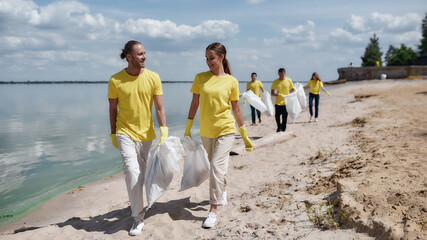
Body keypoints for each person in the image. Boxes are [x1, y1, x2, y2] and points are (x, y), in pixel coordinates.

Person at [184, 42, 253, 228]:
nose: (208, 62)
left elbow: (236, 108)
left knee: (215, 165)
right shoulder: (200, 78)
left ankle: (212, 211)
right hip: (207, 130)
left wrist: (244, 133)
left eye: (211, 58)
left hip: (226, 129)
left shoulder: (232, 81)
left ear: (221, 57)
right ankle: (223, 188)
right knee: (216, 167)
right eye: (206, 58)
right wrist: (188, 127)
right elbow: (194, 103)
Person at [108, 40, 168, 236]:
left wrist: (164, 130)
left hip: (146, 135)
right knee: (132, 172)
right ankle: (137, 217)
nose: (144, 57)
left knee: (142, 175)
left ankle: (140, 205)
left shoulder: (153, 77)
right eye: (140, 54)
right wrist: (113, 132)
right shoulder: (115, 80)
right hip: (124, 132)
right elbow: (112, 109)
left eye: (144, 53)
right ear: (129, 57)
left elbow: (159, 108)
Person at [271, 68, 295, 132]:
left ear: (284, 73)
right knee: (277, 116)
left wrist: (295, 94)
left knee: (285, 117)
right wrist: (277, 95)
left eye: (282, 75)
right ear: (278, 74)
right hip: (278, 102)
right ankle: (279, 126)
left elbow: (293, 90)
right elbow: (272, 92)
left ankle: (283, 129)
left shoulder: (289, 80)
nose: (281, 76)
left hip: (286, 102)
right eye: (280, 75)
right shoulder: (275, 81)